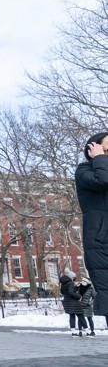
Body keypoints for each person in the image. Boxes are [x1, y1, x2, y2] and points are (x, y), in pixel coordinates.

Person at [74, 132, 108, 320]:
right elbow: (103, 180)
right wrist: (100, 158)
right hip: (101, 244)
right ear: (93, 148)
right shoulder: (84, 170)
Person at [60, 269, 86, 337]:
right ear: (71, 277)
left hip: (67, 301)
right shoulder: (70, 283)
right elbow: (71, 292)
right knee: (80, 315)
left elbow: (62, 292)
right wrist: (79, 296)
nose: (74, 277)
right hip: (73, 301)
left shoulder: (63, 283)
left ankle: (73, 332)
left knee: (72, 316)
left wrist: (75, 287)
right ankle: (87, 331)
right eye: (74, 276)